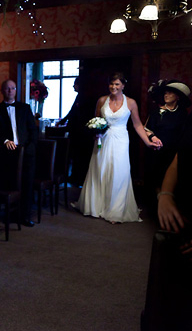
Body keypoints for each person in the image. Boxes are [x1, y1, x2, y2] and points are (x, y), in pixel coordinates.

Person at [76, 72, 161, 223]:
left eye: (117, 84)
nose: (113, 87)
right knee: (100, 170)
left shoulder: (131, 103)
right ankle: (96, 206)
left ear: (123, 85)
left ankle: (115, 210)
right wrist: (95, 132)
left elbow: (137, 125)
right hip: (103, 140)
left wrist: (148, 142)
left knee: (118, 173)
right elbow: (96, 120)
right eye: (111, 84)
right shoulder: (102, 100)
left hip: (121, 139)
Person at [0, 79, 38, 227]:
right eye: (7, 89)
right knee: (9, 184)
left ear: (16, 90)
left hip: (26, 153)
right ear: (2, 91)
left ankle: (25, 216)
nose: (10, 91)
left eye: (12, 88)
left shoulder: (25, 108)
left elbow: (32, 130)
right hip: (6, 154)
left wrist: (29, 148)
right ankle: (8, 215)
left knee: (27, 185)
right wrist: (5, 141)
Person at [144, 80, 190, 213]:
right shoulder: (156, 112)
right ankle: (156, 206)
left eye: (170, 93)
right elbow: (146, 128)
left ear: (178, 96)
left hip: (173, 152)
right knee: (155, 178)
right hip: (156, 150)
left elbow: (184, 133)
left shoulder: (182, 114)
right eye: (165, 92)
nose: (166, 94)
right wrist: (153, 137)